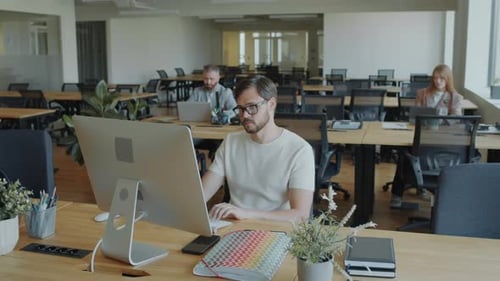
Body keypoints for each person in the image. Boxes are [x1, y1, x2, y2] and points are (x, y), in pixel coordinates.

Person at [202, 75, 315, 222]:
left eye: (252, 107)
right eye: (241, 109)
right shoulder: (231, 141)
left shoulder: (299, 150)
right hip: (233, 225)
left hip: (275, 228)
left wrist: (247, 213)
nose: (245, 115)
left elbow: (300, 215)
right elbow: (204, 191)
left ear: (271, 104)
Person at [390, 64, 463, 208]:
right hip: (422, 136)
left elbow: (456, 120)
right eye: (435, 78)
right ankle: (397, 193)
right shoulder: (422, 93)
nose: (438, 81)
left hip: (443, 141)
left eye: (442, 78)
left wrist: (439, 121)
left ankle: (426, 187)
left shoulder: (455, 97)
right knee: (403, 156)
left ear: (448, 79)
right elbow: (415, 117)